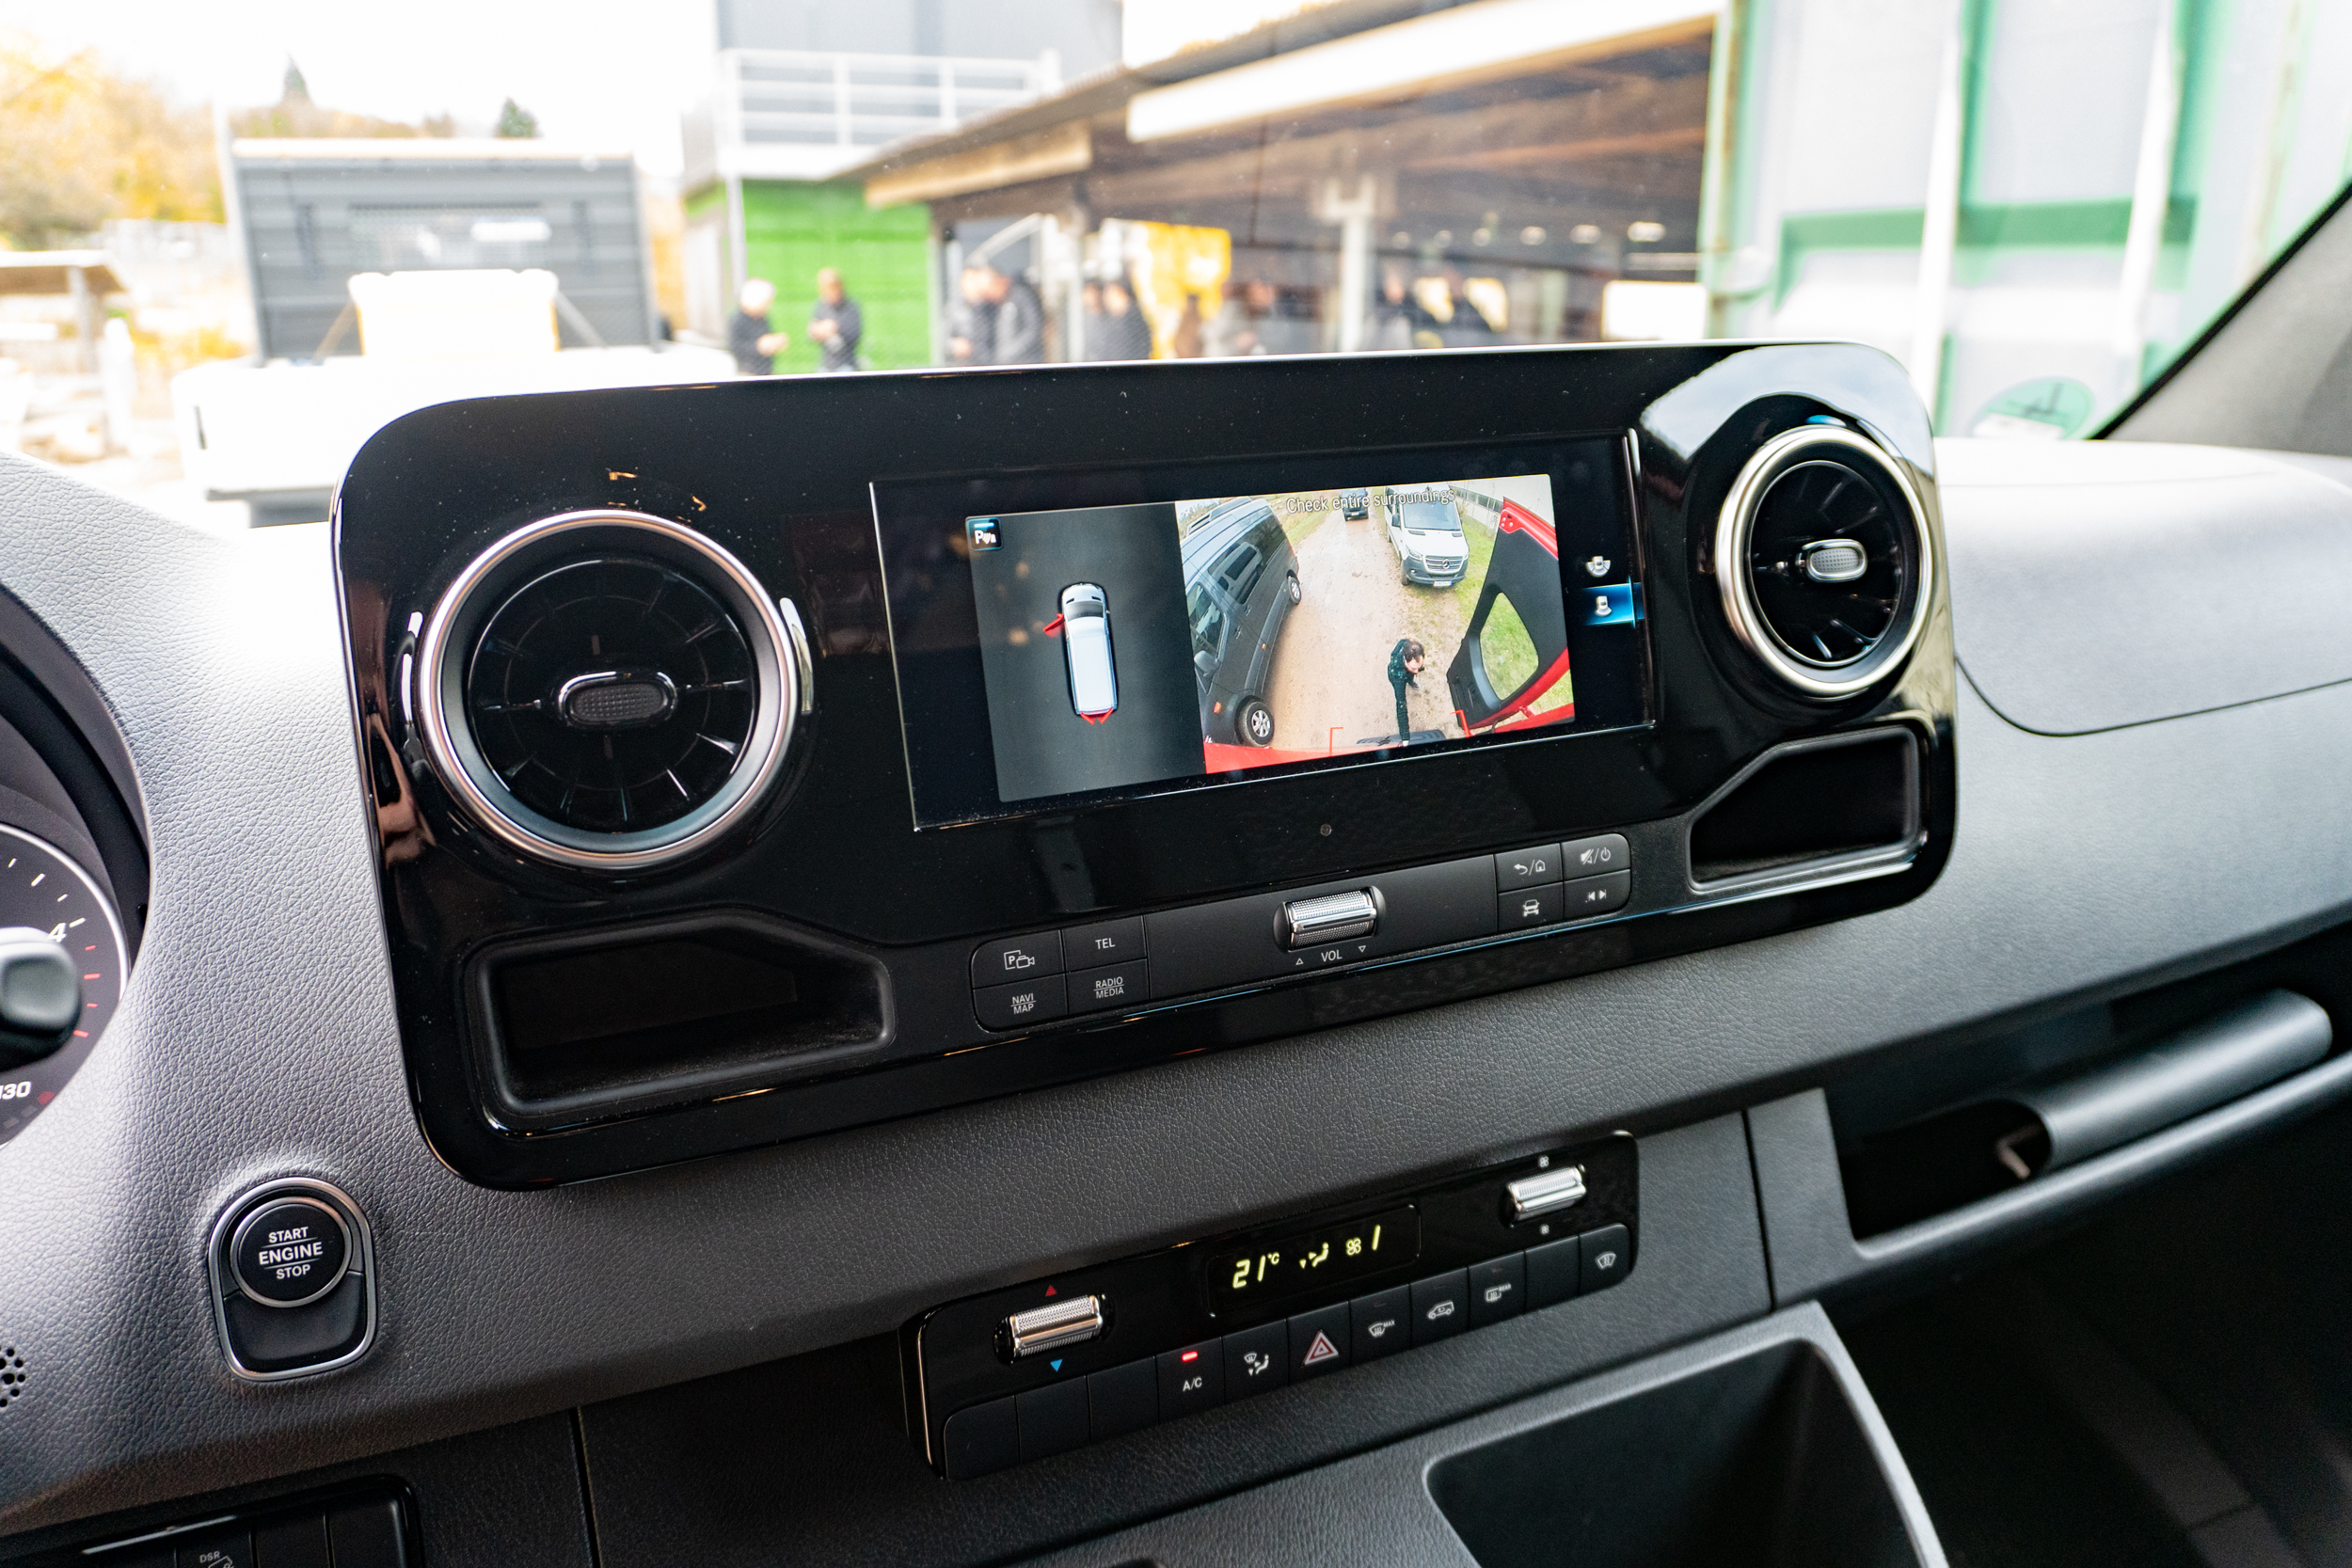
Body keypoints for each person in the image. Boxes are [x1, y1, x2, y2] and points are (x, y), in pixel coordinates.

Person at [806, 267, 863, 372]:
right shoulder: (821, 306)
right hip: (827, 364)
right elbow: (812, 332)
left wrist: (835, 327)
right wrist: (818, 332)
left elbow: (854, 333)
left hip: (846, 363)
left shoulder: (851, 306)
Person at [1085, 276, 1153, 361]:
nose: (1107, 300)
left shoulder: (1133, 320)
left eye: (1110, 295)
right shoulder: (1115, 320)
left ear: (1121, 293)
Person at [729, 278, 789, 374]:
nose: (769, 306)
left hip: (766, 371)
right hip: (747, 372)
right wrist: (758, 347)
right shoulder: (738, 319)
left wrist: (774, 342)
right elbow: (734, 346)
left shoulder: (763, 318)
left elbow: (767, 336)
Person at [1205, 278, 1277, 356]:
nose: (1260, 295)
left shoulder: (1280, 317)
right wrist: (1236, 344)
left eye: (1265, 291)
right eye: (1255, 290)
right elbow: (1212, 335)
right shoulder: (1233, 311)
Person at [946, 265, 996, 365]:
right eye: (968, 280)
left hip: (989, 364)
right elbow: (941, 338)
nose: (972, 285)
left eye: (975, 280)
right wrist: (954, 345)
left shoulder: (991, 306)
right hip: (962, 366)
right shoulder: (954, 308)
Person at [1388, 638, 1426, 745]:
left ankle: (1411, 681)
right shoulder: (1397, 674)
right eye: (1414, 668)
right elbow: (1401, 705)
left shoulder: (1410, 647)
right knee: (1400, 696)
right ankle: (1410, 681)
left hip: (1405, 672)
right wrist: (1405, 737)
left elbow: (1403, 640)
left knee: (1411, 675)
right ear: (1405, 660)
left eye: (1418, 667)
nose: (1417, 671)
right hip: (1397, 676)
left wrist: (1413, 670)